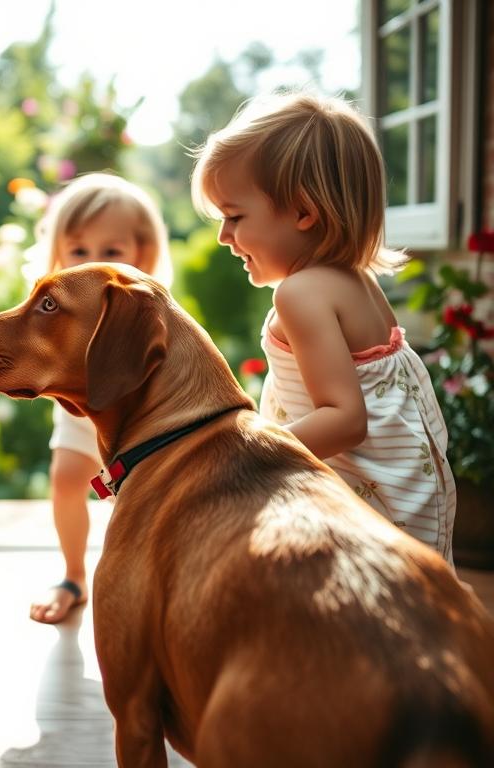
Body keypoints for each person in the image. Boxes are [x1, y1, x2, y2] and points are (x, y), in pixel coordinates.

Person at [190, 91, 456, 564]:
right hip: (411, 501)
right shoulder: (356, 280)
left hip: (369, 512)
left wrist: (244, 451)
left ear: (302, 211)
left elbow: (345, 419)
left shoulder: (301, 294)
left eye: (234, 216)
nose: (224, 237)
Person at [28, 172, 174, 623]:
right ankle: (73, 575)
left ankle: (148, 577)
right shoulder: (54, 305)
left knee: (136, 503)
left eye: (110, 251)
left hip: (137, 421)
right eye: (78, 250)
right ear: (58, 253)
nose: (92, 262)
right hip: (78, 417)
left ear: (142, 253)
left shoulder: (143, 304)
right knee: (65, 481)